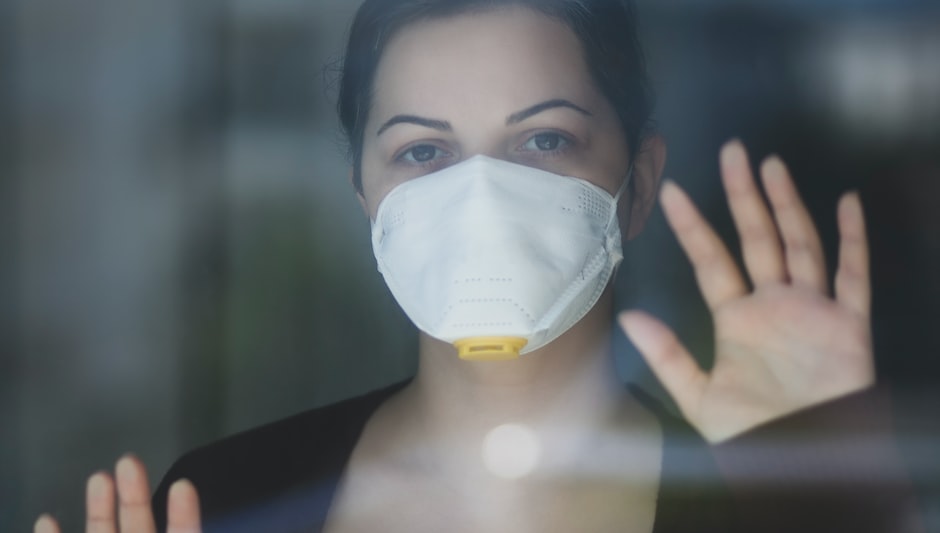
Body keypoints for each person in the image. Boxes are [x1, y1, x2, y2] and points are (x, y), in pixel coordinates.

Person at [34, 0, 922, 531]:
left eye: (542, 139)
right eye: (423, 153)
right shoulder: (223, 501)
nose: (482, 195)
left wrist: (837, 507)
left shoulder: (760, 503)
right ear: (365, 197)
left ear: (640, 181)